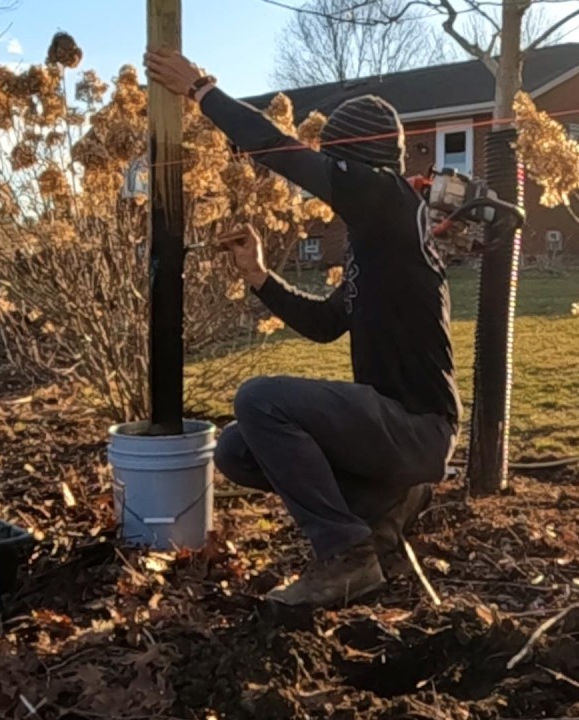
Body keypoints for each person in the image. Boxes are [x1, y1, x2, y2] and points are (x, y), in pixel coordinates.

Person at [145, 50, 461, 607]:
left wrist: (200, 90)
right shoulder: (379, 240)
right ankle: (387, 503)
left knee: (260, 399)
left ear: (353, 161)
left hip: (418, 427)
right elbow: (326, 324)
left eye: (331, 164)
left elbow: (283, 153)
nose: (324, 180)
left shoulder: (385, 198)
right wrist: (260, 277)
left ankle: (348, 557)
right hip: (391, 430)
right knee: (239, 450)